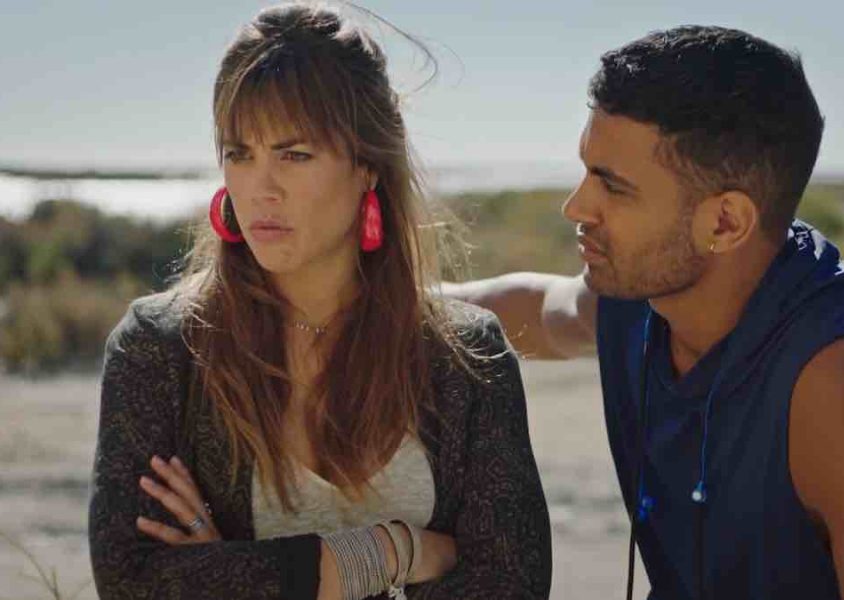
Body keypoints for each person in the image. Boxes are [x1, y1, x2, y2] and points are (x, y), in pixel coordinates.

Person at [445, 26, 844, 600]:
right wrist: (389, 298)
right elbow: (534, 308)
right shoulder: (637, 302)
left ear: (725, 222)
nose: (576, 206)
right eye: (586, 170)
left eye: (613, 187)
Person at [88, 4, 551, 599]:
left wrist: (235, 573)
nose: (261, 188)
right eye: (240, 153)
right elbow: (132, 581)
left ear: (367, 166)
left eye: (295, 154)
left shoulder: (466, 356)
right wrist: (393, 552)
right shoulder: (161, 349)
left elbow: (513, 584)